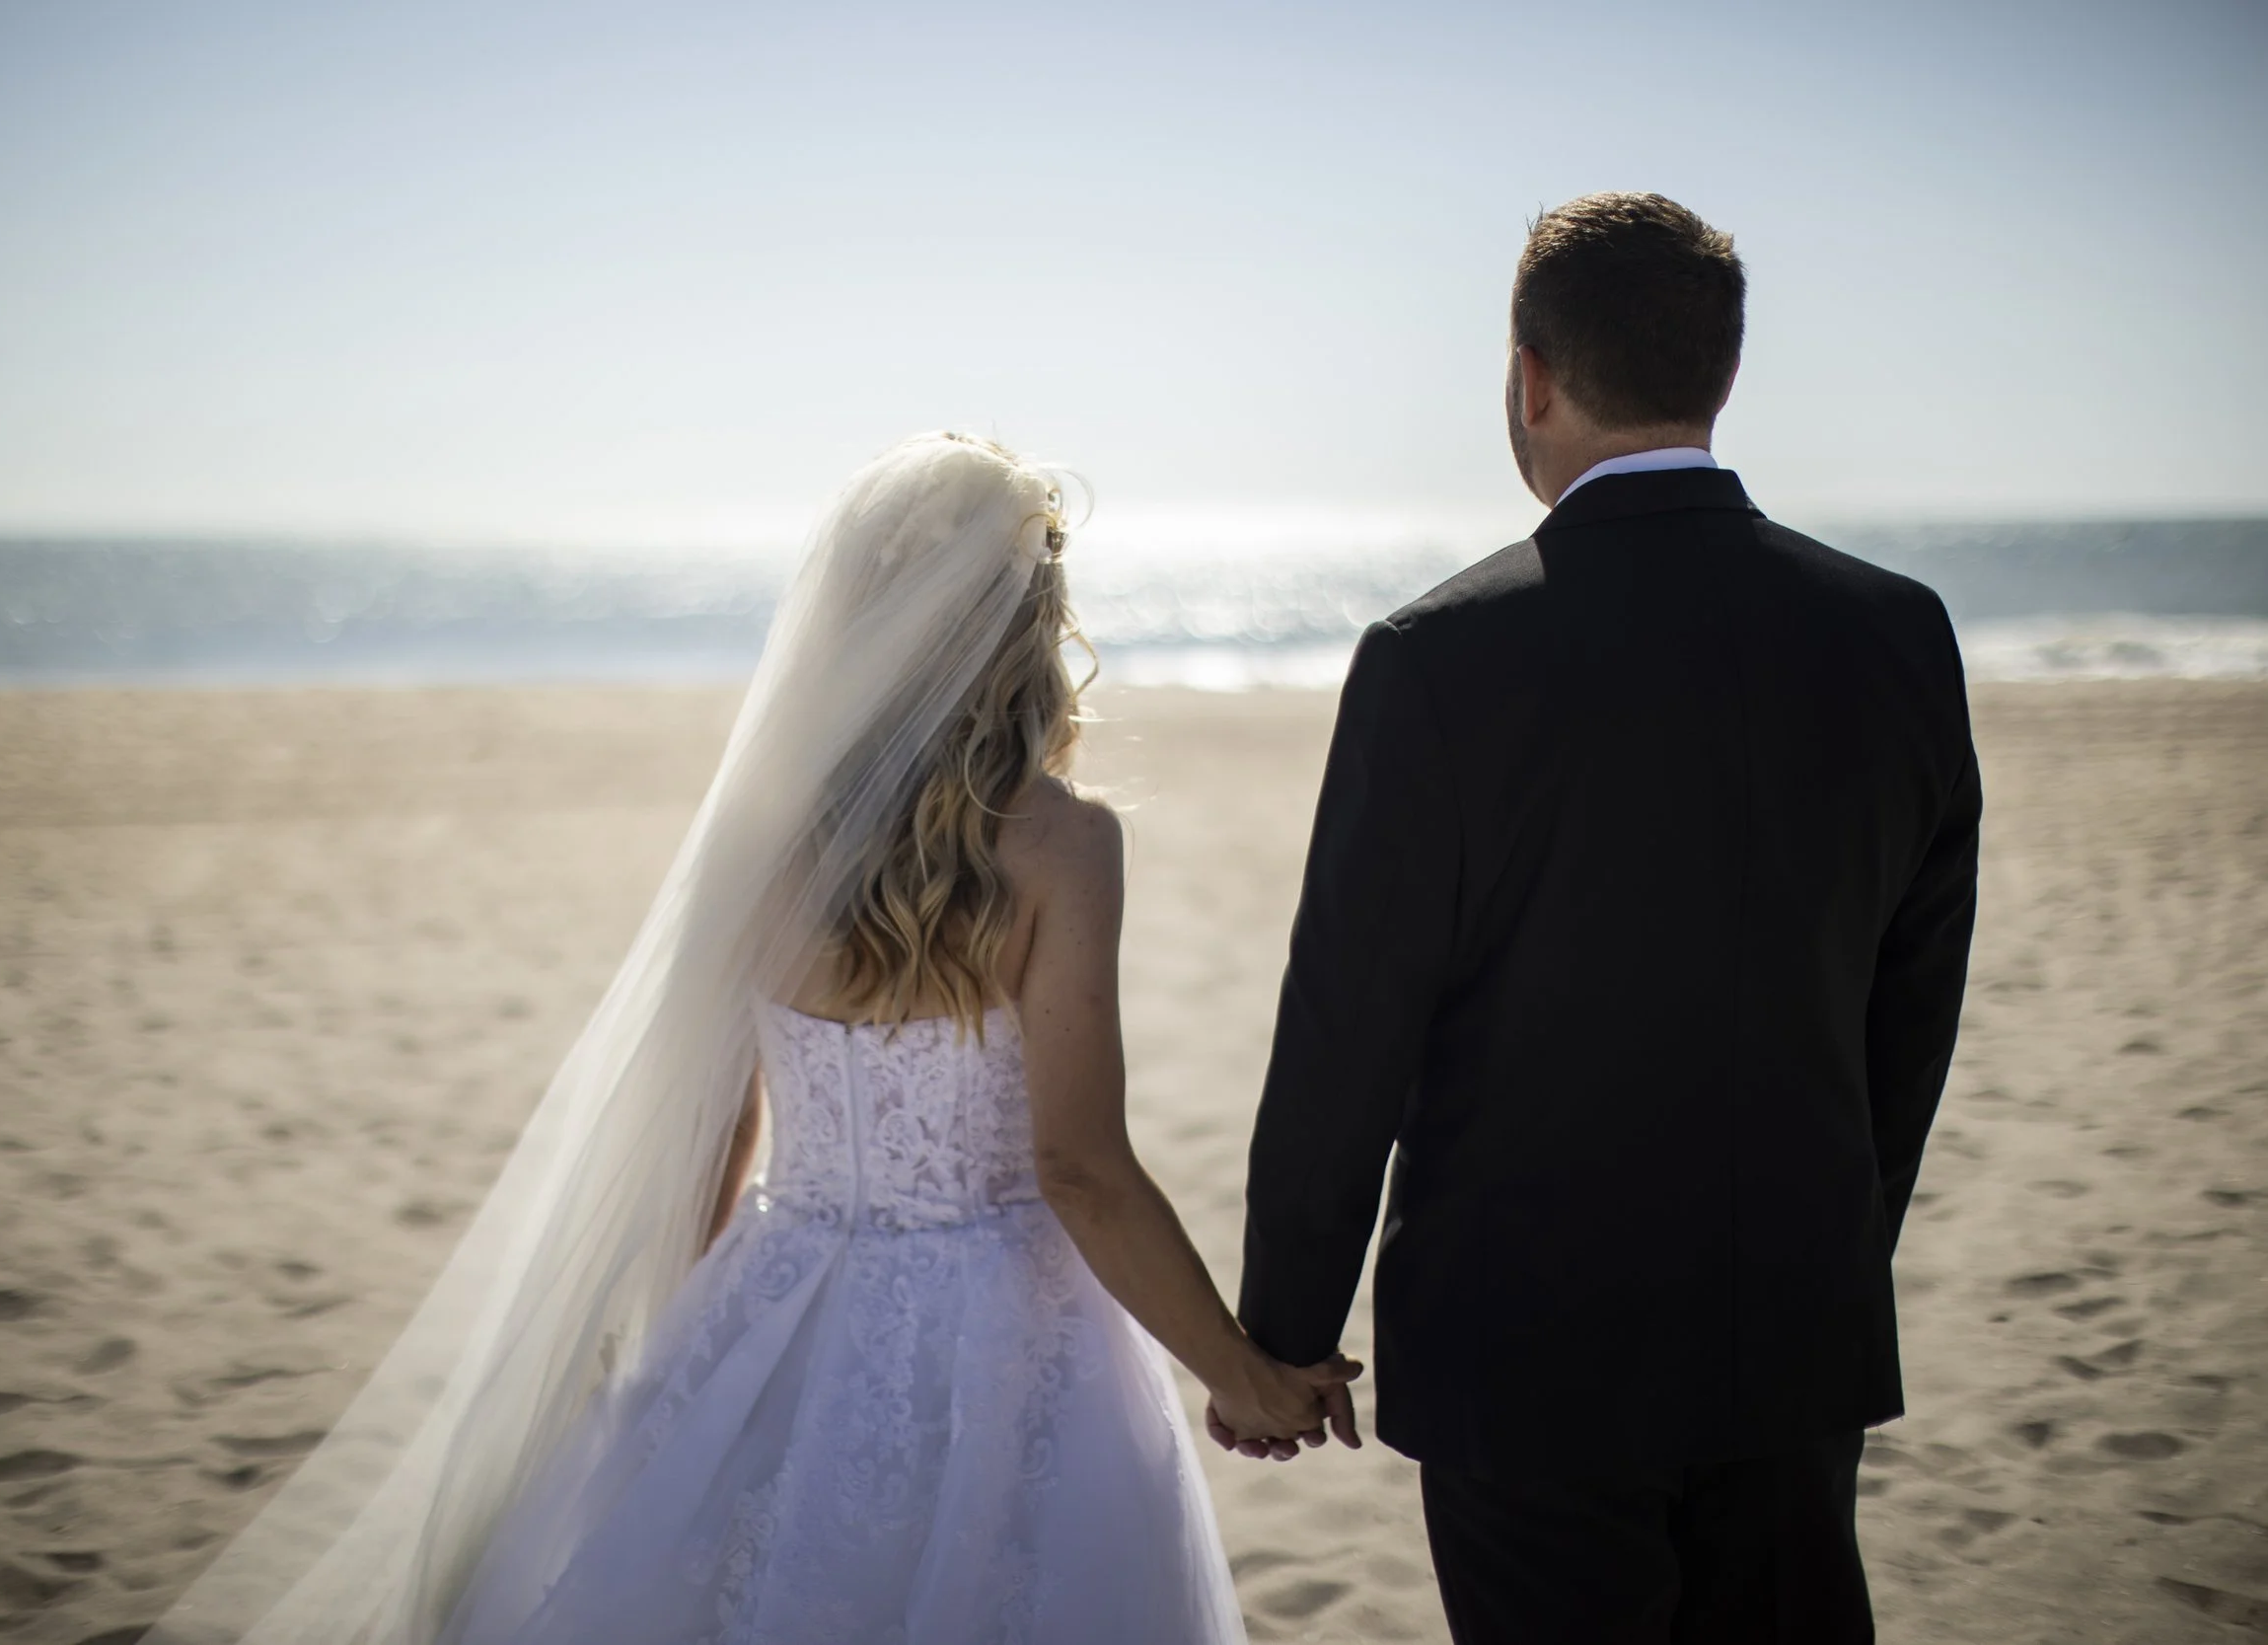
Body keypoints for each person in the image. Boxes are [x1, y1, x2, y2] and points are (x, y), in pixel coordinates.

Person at [147, 432, 1351, 1645]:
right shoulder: (1060, 843)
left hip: (776, 1291)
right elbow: (1078, 1168)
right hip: (1005, 1329)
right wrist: (1236, 1369)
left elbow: (711, 1136)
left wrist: (700, 1361)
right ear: (1026, 622)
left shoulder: (757, 838)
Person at [1227, 193, 1981, 1644]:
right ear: (1724, 372)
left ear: (1530, 375)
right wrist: (1831, 1244)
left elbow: (1350, 1026)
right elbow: (1913, 1000)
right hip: (1791, 1329)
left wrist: (1284, 1331)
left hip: (1527, 1355)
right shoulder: (1898, 632)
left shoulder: (1434, 659)